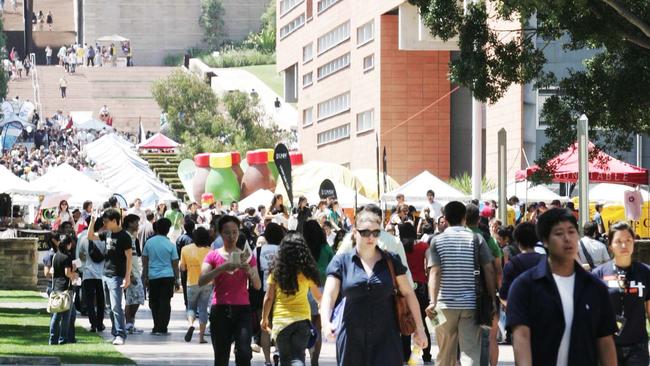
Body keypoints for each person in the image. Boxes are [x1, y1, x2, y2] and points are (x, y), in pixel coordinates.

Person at [507, 208, 617, 366]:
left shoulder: (595, 288)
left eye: (571, 232)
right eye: (558, 233)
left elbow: (605, 341)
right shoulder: (525, 286)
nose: (567, 238)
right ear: (545, 241)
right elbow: (521, 338)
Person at [321, 205, 427, 365]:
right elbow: (329, 294)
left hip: (387, 339)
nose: (370, 237)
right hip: (351, 339)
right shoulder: (342, 261)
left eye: (375, 232)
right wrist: (325, 322)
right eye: (365, 232)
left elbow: (408, 293)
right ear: (355, 232)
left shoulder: (391, 261)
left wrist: (420, 328)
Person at [425, 201, 496, 366]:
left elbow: (434, 272)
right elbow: (489, 270)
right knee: (470, 352)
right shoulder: (476, 238)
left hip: (442, 305)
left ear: (445, 218)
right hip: (470, 305)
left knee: (444, 352)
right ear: (465, 217)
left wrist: (432, 302)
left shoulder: (437, 241)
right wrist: (492, 297)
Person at [199, 215, 261, 366]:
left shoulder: (247, 256)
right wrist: (221, 268)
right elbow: (201, 281)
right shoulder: (213, 255)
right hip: (220, 308)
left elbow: (258, 285)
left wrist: (249, 271)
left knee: (245, 353)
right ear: (220, 233)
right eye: (227, 232)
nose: (232, 236)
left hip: (243, 309)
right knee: (221, 355)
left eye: (235, 232)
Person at [261, 232, 322, 366]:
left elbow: (269, 297)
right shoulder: (307, 272)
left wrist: (264, 318)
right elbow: (319, 297)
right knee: (298, 357)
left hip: (281, 322)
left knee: (285, 359)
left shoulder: (277, 271)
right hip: (303, 321)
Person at [593, 222, 650, 365]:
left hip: (638, 346)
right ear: (610, 245)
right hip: (607, 346)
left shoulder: (645, 272)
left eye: (628, 240)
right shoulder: (599, 274)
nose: (624, 245)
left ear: (634, 242)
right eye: (618, 241)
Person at [88, 208, 133, 346]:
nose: (104, 224)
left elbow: (129, 257)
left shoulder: (125, 236)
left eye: (106, 221)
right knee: (109, 306)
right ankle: (115, 333)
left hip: (117, 276)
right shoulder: (107, 233)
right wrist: (92, 220)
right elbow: (90, 236)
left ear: (115, 220)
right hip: (105, 274)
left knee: (116, 307)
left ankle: (120, 334)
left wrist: (127, 277)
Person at [465, 204, 502, 366]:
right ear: (479, 219)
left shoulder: (457, 237)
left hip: (462, 292)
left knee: (463, 338)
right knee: (488, 336)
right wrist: (498, 292)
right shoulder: (488, 239)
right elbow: (498, 268)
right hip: (486, 293)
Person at [398, 222, 432, 364]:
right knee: (422, 322)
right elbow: (430, 266)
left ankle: (406, 356)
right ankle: (426, 355)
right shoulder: (424, 246)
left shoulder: (399, 247)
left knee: (405, 320)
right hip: (422, 287)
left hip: (404, 288)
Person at [303, 220, 334, 366]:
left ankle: (302, 357)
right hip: (322, 291)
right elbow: (335, 268)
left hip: (304, 290)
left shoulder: (303, 249)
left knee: (304, 326)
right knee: (317, 328)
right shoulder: (326, 248)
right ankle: (314, 360)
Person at [142, 218, 180, 335]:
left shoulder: (149, 242)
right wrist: (177, 279)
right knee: (165, 302)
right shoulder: (171, 244)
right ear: (168, 230)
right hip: (168, 276)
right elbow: (175, 264)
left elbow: (145, 262)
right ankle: (163, 327)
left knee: (154, 302)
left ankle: (156, 325)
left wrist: (145, 277)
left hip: (153, 276)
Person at [257, 222, 284, 365]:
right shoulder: (283, 250)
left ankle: (267, 360)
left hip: (263, 291)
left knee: (265, 325)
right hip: (281, 292)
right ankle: (278, 351)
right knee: (279, 324)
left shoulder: (258, 250)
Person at [180, 227, 212, 344]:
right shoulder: (211, 251)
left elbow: (183, 267)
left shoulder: (185, 249)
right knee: (203, 309)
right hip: (207, 283)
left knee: (191, 307)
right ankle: (201, 337)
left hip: (192, 282)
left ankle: (190, 324)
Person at [499, 222, 544, 306]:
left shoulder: (511, 265)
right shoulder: (547, 261)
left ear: (517, 241)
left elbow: (503, 295)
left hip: (519, 311)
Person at [77, 217, 106, 332]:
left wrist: (82, 267)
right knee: (100, 300)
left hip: (87, 273)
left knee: (89, 300)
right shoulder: (104, 239)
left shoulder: (84, 238)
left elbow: (81, 255)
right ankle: (100, 323)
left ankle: (93, 324)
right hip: (101, 274)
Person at [48, 235, 78, 345]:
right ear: (68, 244)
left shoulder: (55, 256)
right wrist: (74, 274)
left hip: (56, 287)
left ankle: (52, 338)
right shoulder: (67, 257)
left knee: (56, 314)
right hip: (66, 289)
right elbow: (67, 273)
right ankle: (62, 338)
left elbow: (54, 271)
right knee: (66, 316)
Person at [123, 214, 145, 334]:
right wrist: (130, 274)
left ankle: (130, 323)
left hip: (135, 271)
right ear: (130, 223)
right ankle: (128, 324)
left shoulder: (132, 237)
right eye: (136, 222)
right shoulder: (126, 236)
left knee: (135, 298)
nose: (138, 225)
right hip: (132, 273)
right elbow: (125, 257)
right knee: (132, 299)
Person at [176, 218, 195, 307]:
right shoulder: (197, 237)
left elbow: (177, 254)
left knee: (184, 284)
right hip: (196, 265)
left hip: (184, 264)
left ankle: (187, 303)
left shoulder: (180, 239)